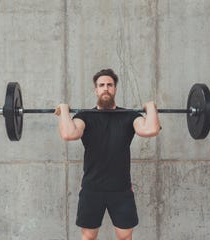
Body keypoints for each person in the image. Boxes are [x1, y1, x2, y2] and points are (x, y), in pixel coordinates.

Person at [54, 68, 160, 240]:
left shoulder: (129, 116)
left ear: (115, 89)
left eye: (109, 85)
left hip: (121, 189)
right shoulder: (85, 116)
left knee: (125, 236)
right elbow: (68, 134)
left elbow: (151, 129)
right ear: (95, 90)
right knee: (88, 236)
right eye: (101, 85)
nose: (105, 88)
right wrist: (64, 110)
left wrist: (150, 108)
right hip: (92, 188)